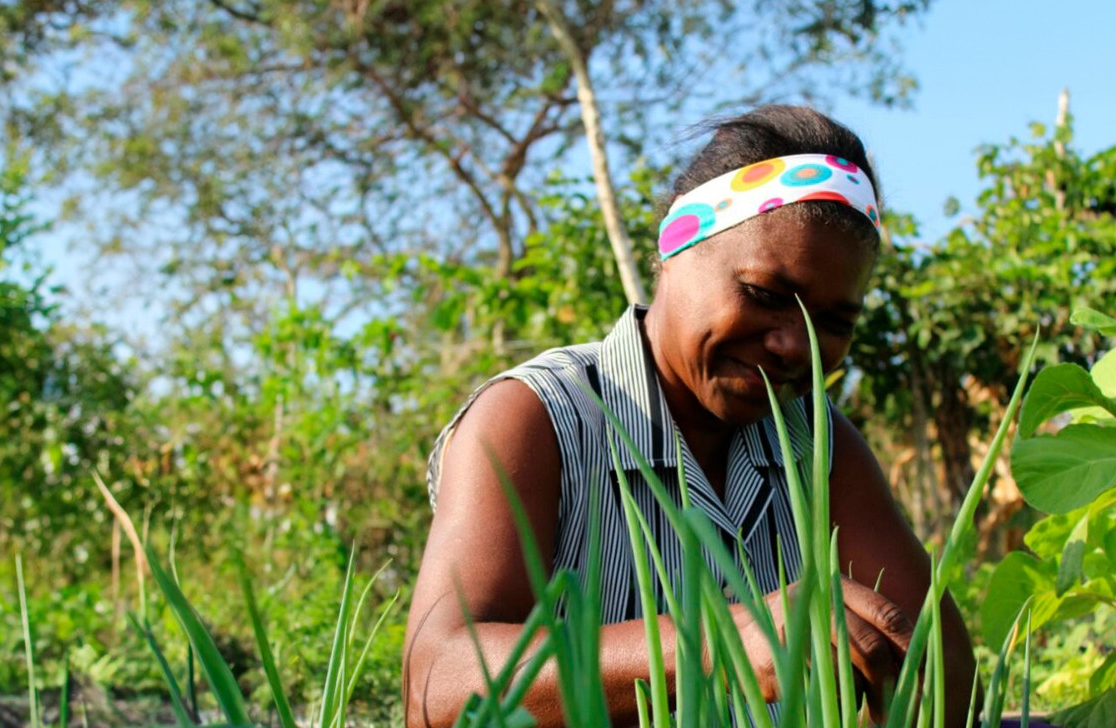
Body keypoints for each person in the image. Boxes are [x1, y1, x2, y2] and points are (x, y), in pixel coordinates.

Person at [403, 105, 974, 728]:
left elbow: (937, 662)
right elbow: (439, 681)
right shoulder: (537, 417)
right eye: (763, 294)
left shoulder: (818, 444)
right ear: (676, 250)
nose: (793, 344)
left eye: (833, 323)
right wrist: (716, 645)